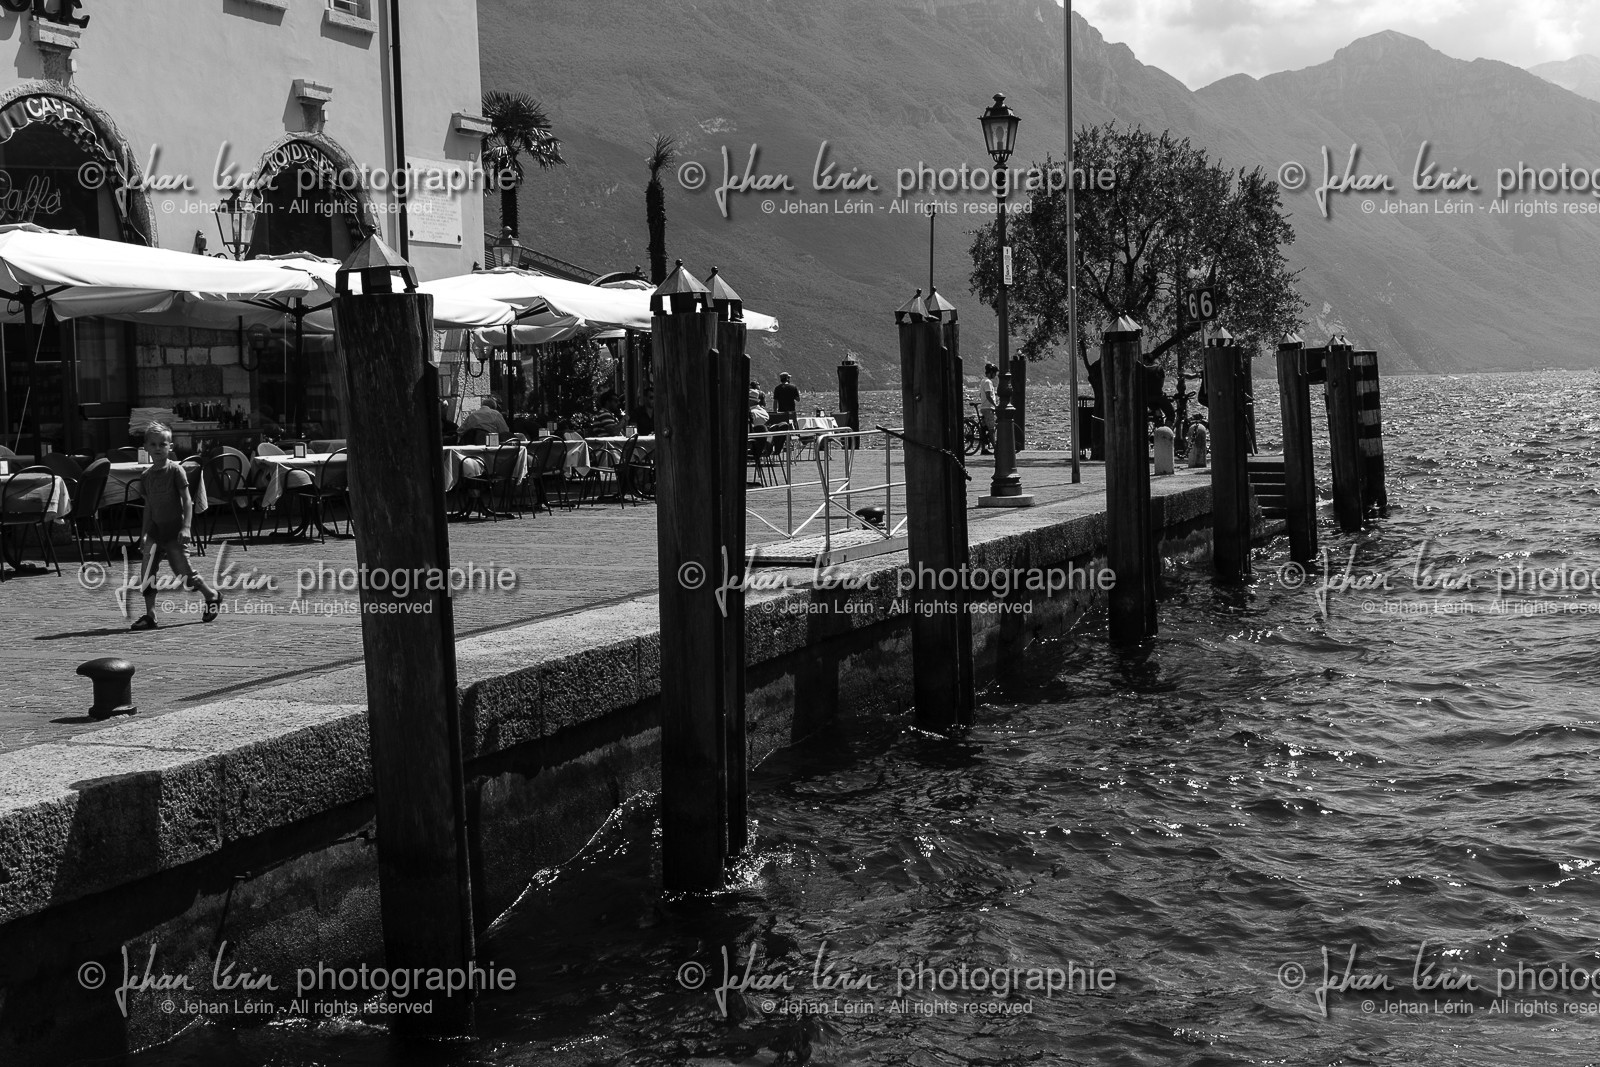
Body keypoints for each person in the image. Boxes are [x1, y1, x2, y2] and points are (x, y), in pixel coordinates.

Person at [129, 423, 221, 630]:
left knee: (184, 574)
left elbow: (187, 500)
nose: (158, 448)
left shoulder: (175, 470)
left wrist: (186, 527)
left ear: (170, 446)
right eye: (153, 444)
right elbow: (148, 507)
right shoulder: (146, 476)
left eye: (163, 444)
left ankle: (211, 595)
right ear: (146, 447)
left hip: (174, 531)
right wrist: (143, 534)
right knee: (146, 574)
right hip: (155, 531)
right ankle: (150, 615)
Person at [978, 363, 998, 454]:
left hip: (984, 407)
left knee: (983, 428)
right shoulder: (988, 382)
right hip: (988, 408)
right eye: (994, 373)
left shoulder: (983, 381)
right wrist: (995, 405)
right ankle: (995, 448)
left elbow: (981, 394)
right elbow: (988, 395)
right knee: (991, 428)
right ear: (991, 372)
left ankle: (983, 448)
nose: (995, 375)